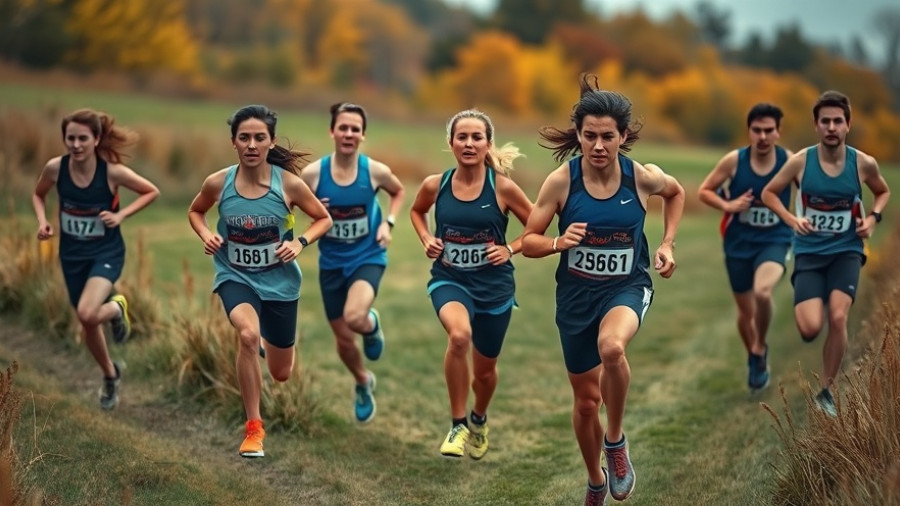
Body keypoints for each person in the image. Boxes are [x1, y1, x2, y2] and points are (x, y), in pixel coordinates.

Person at [521, 74, 684, 505]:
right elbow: (528, 241)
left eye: (606, 136)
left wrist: (666, 243)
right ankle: (595, 479)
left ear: (622, 136)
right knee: (587, 402)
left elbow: (677, 192)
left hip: (626, 287)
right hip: (575, 297)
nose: (597, 145)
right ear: (578, 135)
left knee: (612, 349)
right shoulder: (561, 182)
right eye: (589, 135)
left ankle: (616, 444)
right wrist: (559, 242)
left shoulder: (641, 178)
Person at [188, 105, 332, 457]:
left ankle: (268, 347)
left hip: (280, 283)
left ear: (270, 142)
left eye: (259, 138)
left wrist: (299, 243)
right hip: (234, 275)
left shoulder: (290, 186)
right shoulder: (218, 183)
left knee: (281, 373)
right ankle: (254, 428)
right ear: (233, 142)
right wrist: (206, 234)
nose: (251, 145)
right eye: (244, 138)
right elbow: (195, 211)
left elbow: (323, 219)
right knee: (247, 336)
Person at [409, 109, 533, 460]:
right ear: (450, 143)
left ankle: (479, 418)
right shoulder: (436, 184)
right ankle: (458, 424)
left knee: (485, 372)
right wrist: (425, 238)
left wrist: (509, 248)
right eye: (461, 137)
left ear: (487, 144)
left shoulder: (503, 188)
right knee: (459, 337)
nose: (469, 143)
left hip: (494, 289)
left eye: (476, 137)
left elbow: (535, 226)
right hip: (450, 280)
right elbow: (417, 212)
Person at [762, 90, 890, 417]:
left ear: (848, 125)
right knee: (809, 328)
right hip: (809, 252)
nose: (831, 127)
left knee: (838, 315)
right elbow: (769, 193)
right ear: (816, 126)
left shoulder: (862, 163)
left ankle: (827, 391)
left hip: (847, 250)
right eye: (825, 121)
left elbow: (883, 192)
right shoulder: (800, 162)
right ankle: (815, 305)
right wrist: (792, 219)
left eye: (838, 121)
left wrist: (873, 219)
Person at [32, 108, 160, 411]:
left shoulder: (112, 172)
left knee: (88, 314)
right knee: (86, 323)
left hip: (106, 252)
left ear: (96, 139)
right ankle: (110, 374)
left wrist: (121, 214)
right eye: (70, 138)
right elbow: (38, 195)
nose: (75, 145)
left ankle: (117, 308)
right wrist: (42, 222)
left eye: (82, 139)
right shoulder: (55, 168)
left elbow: (150, 191)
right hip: (72, 255)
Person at [300, 102, 405, 423]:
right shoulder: (313, 175)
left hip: (367, 255)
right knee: (344, 340)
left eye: (355, 129)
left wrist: (388, 223)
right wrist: (315, 208)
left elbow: (398, 192)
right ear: (332, 131)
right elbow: (292, 207)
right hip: (331, 262)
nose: (348, 134)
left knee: (355, 317)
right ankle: (363, 381)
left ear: (363, 135)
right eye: (343, 127)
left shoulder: (374, 171)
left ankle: (371, 326)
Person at [697, 103, 795, 392]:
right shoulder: (734, 161)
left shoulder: (789, 161)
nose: (763, 136)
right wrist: (728, 205)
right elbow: (704, 191)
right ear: (749, 131)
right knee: (745, 313)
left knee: (763, 292)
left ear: (778, 132)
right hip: (738, 242)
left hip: (775, 239)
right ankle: (754, 353)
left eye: (769, 130)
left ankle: (759, 347)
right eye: (757, 130)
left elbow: (811, 192)